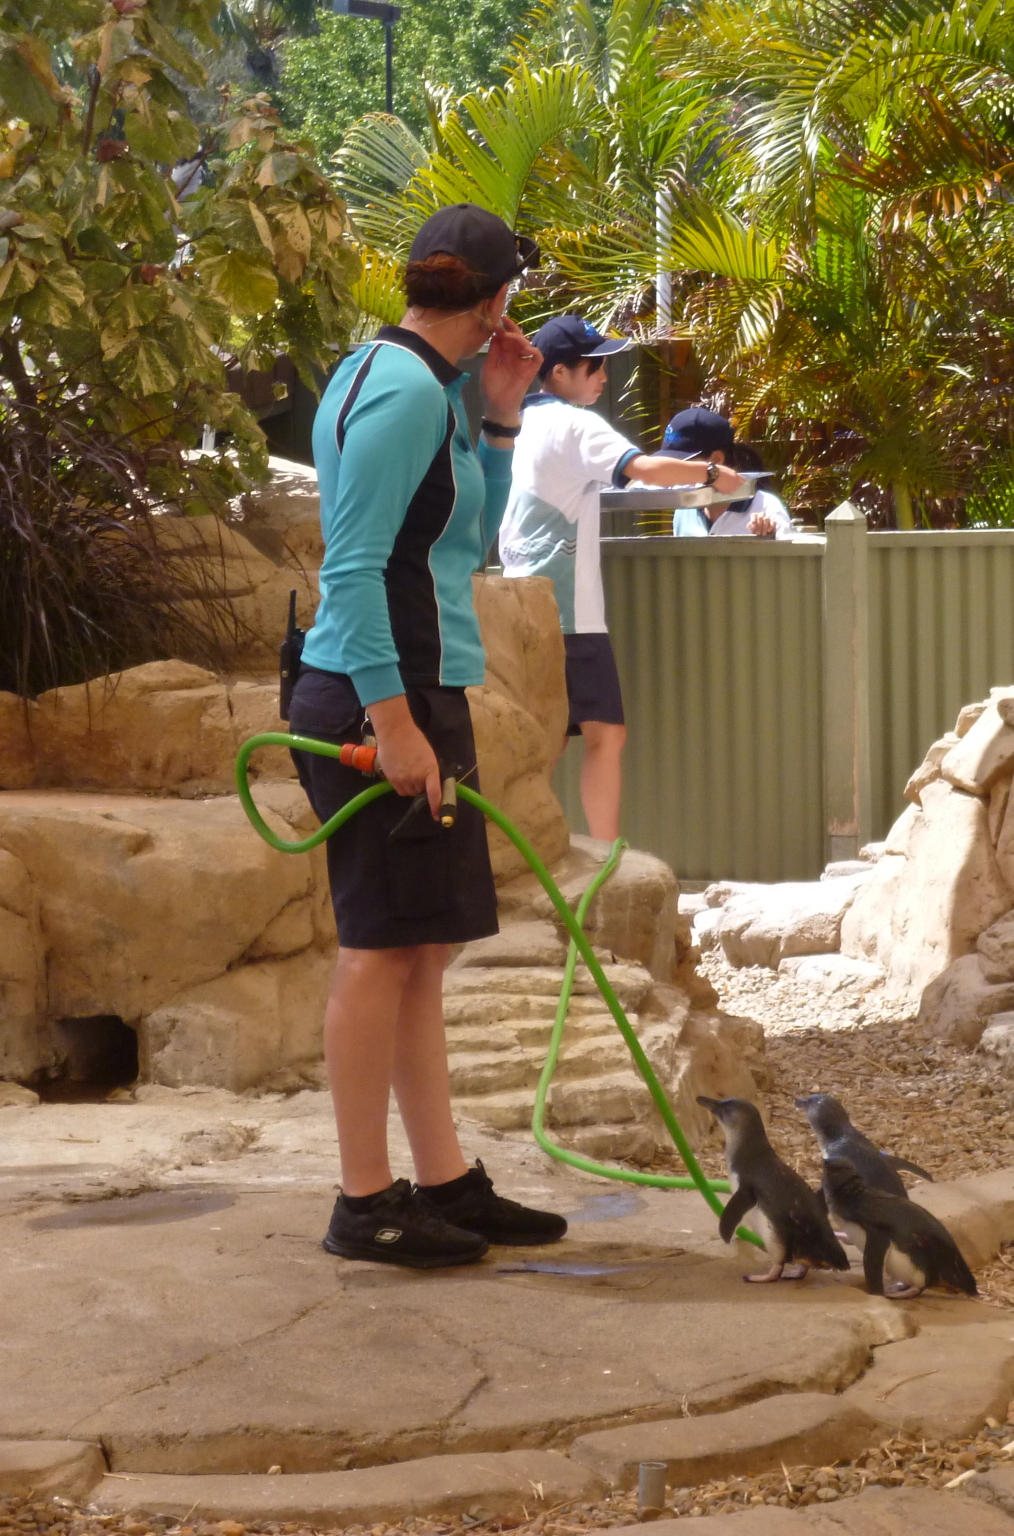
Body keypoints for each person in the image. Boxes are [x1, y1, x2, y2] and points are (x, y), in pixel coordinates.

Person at [289, 203, 564, 1269]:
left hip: (417, 681)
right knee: (376, 950)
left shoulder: (426, 383)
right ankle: (364, 1201)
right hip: (378, 692)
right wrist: (394, 722)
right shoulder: (399, 390)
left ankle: (442, 1177)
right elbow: (351, 567)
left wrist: (499, 418)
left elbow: (468, 542)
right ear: (495, 301)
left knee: (420, 949)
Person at [496, 316, 744, 841]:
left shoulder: (515, 422)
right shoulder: (573, 424)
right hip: (567, 611)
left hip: (519, 600)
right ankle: (606, 858)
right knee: (604, 734)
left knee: (548, 739)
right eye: (595, 365)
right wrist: (715, 475)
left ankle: (523, 845)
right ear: (559, 372)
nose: (604, 375)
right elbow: (646, 470)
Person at [655, 407, 794, 537]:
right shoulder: (683, 511)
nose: (674, 471)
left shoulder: (767, 508)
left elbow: (786, 561)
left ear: (716, 459)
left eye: (683, 463)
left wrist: (769, 537)